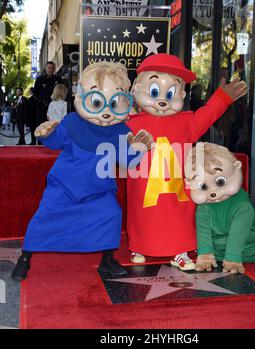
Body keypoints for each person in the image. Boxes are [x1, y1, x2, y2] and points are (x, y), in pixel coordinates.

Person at [11, 62, 153, 281]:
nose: (106, 111)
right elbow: (55, 141)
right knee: (44, 219)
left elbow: (128, 160)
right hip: (64, 187)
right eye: (98, 101)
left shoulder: (122, 131)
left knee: (111, 214)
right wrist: (48, 132)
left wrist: (139, 149)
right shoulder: (72, 122)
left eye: (114, 102)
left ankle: (107, 261)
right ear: (83, 96)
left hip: (99, 191)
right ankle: (25, 258)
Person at [126, 53, 247, 270]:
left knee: (179, 219)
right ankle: (139, 246)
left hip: (178, 189)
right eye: (154, 92)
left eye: (170, 93)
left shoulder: (185, 122)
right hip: (144, 188)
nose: (162, 100)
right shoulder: (130, 124)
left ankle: (179, 251)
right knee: (143, 216)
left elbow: (207, 115)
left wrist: (222, 98)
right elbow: (119, 153)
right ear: (136, 90)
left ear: (181, 93)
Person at [184, 142, 255, 273]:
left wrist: (233, 259)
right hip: (221, 242)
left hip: (249, 238)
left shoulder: (242, 206)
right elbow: (203, 231)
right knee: (215, 246)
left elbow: (239, 233)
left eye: (220, 182)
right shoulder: (204, 206)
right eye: (203, 187)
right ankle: (221, 255)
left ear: (237, 167)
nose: (213, 193)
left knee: (252, 247)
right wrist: (205, 256)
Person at [34, 61, 61, 127]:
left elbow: (61, 92)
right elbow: (35, 93)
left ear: (54, 69)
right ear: (45, 68)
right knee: (42, 126)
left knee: (53, 126)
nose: (50, 69)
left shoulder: (58, 79)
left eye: (52, 68)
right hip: (42, 107)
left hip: (55, 107)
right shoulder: (39, 79)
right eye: (49, 68)